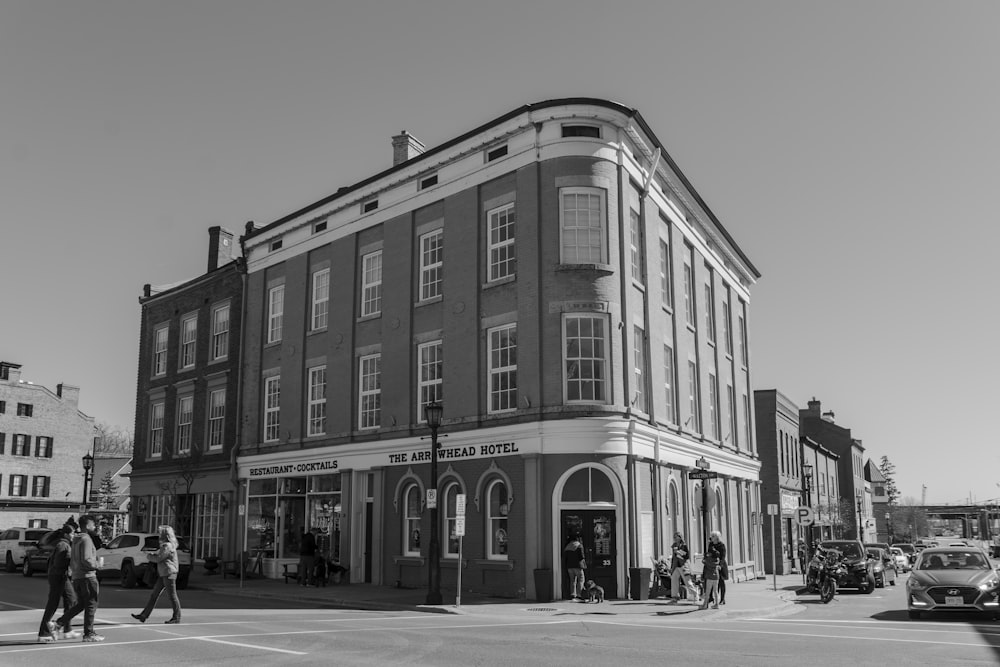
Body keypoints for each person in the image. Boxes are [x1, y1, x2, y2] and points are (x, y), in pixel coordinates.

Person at [54, 514, 102, 642]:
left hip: (77, 576)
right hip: (87, 576)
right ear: (87, 526)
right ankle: (89, 633)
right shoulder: (86, 539)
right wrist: (97, 564)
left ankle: (59, 623)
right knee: (91, 604)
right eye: (93, 524)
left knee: (81, 604)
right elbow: (86, 559)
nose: (95, 526)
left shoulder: (76, 539)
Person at [38, 517, 79, 642]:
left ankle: (67, 629)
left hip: (62, 576)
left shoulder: (65, 544)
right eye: (72, 533)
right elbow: (58, 562)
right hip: (59, 576)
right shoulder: (63, 545)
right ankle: (44, 633)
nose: (74, 536)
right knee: (53, 603)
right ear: (66, 534)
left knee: (71, 600)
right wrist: (71, 560)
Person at [131, 525, 182, 624]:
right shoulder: (167, 545)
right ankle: (144, 615)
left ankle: (177, 617)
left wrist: (149, 556)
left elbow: (159, 558)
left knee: (172, 596)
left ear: (165, 534)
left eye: (160, 533)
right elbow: (160, 556)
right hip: (164, 572)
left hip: (168, 572)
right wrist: (153, 554)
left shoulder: (167, 546)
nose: (158, 535)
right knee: (154, 594)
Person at [669, 533, 699, 603]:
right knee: (674, 579)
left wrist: (678, 552)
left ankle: (695, 594)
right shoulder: (674, 546)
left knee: (687, 581)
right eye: (674, 537)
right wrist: (671, 567)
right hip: (676, 565)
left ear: (680, 537)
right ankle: (675, 597)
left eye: (677, 537)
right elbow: (674, 557)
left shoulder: (684, 545)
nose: (675, 538)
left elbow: (686, 556)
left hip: (683, 566)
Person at [563, 534, 586, 600]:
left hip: (569, 566)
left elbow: (565, 558)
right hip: (578, 566)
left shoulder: (567, 546)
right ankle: (579, 594)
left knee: (572, 580)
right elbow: (582, 556)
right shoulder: (579, 546)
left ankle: (573, 594)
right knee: (581, 579)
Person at [708, 530, 728, 605]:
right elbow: (709, 553)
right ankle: (711, 597)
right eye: (711, 536)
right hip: (712, 564)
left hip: (720, 565)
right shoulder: (711, 544)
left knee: (721, 582)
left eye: (713, 536)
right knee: (711, 581)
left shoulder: (721, 545)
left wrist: (720, 565)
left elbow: (723, 556)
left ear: (717, 537)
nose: (711, 537)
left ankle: (722, 599)